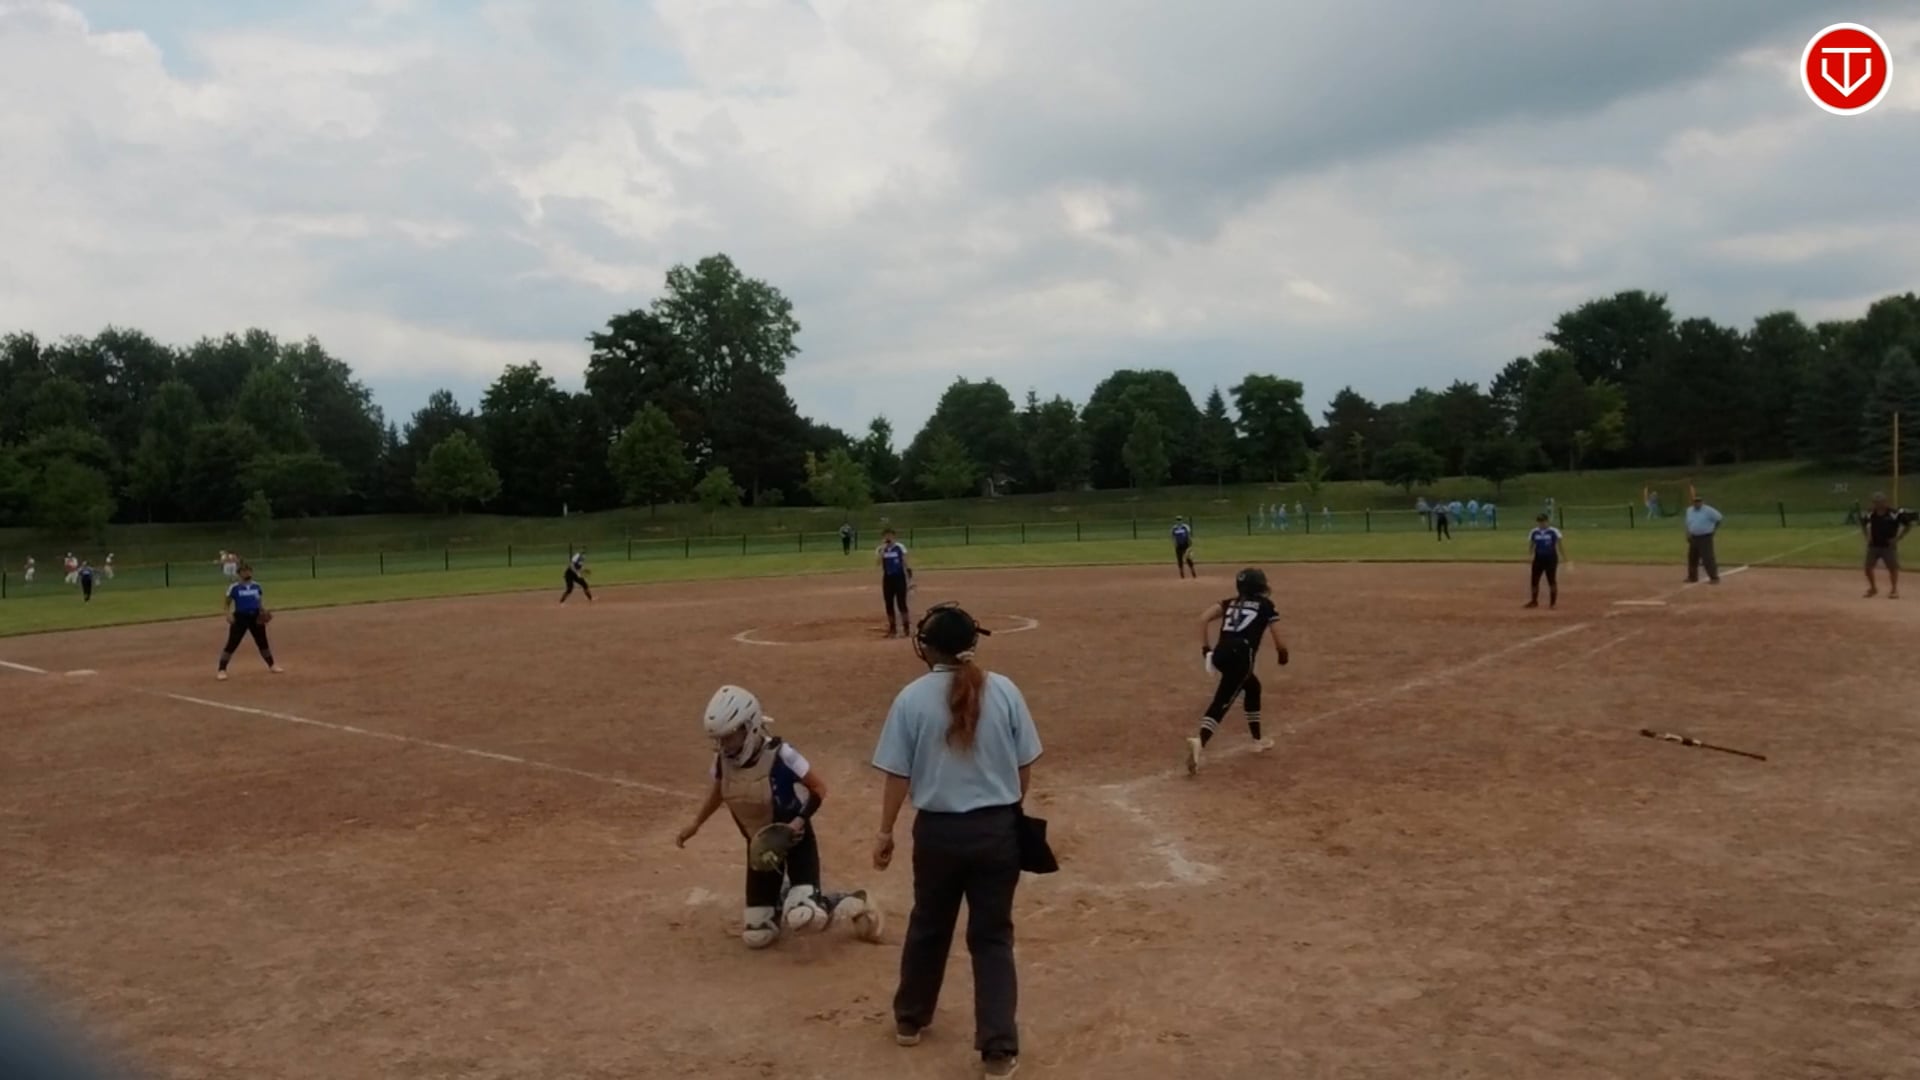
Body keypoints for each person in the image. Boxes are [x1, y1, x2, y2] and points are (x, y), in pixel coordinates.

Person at [871, 602, 1039, 1078]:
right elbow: (1024, 766)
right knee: (992, 938)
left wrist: (885, 831)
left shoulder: (910, 699)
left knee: (928, 924)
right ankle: (998, 1049)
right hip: (997, 832)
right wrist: (1007, 810)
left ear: (927, 648)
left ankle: (910, 1019)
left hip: (938, 834)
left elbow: (898, 776)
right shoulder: (1004, 690)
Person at [676, 685, 884, 951]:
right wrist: (696, 823)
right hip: (761, 853)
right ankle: (786, 896)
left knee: (807, 918)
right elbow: (719, 791)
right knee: (757, 935)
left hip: (795, 844)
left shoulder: (782, 755)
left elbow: (819, 789)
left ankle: (854, 901)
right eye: (719, 739)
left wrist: (797, 822)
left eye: (729, 737)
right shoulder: (722, 761)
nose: (723, 746)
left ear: (749, 726)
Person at [1187, 567, 1289, 775]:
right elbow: (1279, 640)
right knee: (1224, 698)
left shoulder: (1230, 602)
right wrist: (1282, 653)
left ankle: (1257, 740)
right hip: (1241, 655)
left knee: (1252, 687)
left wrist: (1206, 649)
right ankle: (1200, 741)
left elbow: (1203, 618)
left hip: (1220, 653)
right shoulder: (1265, 605)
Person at [218, 562, 284, 681]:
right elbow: (227, 603)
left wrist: (263, 611)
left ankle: (272, 665)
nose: (247, 573)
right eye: (244, 571)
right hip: (240, 618)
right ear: (239, 574)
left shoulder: (257, 586)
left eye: (248, 570)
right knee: (232, 643)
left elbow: (259, 602)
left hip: (256, 617)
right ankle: (222, 669)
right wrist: (228, 615)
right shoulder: (234, 587)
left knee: (262, 642)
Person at [1861, 491, 1912, 599]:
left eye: (1879, 502)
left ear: (1885, 502)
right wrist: (1867, 536)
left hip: (1888, 546)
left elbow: (1908, 525)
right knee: (1868, 568)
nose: (1877, 504)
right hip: (1874, 545)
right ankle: (1873, 588)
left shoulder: (1894, 513)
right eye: (1875, 502)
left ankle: (1894, 589)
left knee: (1892, 568)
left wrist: (1898, 538)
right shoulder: (1870, 513)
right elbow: (1863, 524)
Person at [877, 528, 913, 638]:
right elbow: (878, 563)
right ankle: (892, 629)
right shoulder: (881, 549)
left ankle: (906, 628)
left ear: (894, 536)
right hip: (888, 578)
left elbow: (904, 560)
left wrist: (908, 572)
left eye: (890, 535)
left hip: (899, 578)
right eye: (886, 536)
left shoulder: (900, 547)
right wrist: (883, 550)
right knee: (889, 603)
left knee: (901, 603)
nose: (888, 538)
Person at [1525, 513, 1565, 609]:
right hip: (1538, 558)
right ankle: (1534, 601)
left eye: (1543, 521)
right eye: (1539, 522)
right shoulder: (1534, 532)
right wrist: (1529, 556)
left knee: (1551, 580)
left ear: (1547, 521)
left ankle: (1552, 603)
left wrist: (1564, 557)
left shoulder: (1554, 531)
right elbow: (1532, 545)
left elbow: (1559, 545)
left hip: (1551, 558)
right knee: (1534, 580)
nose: (1541, 524)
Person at [1684, 493, 1723, 585]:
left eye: (1699, 501)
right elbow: (1688, 523)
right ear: (1692, 502)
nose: (1697, 503)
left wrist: (1713, 530)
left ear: (1702, 502)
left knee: (1708, 558)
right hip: (1693, 537)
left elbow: (1719, 519)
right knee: (1692, 558)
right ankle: (1692, 577)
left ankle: (1714, 578)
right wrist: (1688, 533)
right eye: (1695, 501)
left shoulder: (1709, 510)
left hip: (1705, 537)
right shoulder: (1689, 510)